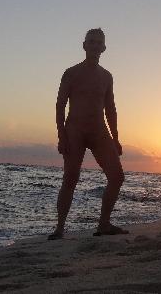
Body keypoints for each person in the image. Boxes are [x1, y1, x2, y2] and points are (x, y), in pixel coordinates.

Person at [49, 28, 127, 240]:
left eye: (98, 42)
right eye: (90, 41)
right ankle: (59, 228)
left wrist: (116, 138)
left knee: (117, 176)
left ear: (104, 48)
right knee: (71, 177)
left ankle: (103, 223)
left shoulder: (107, 76)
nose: (94, 45)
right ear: (84, 45)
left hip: (99, 131)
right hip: (74, 129)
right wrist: (61, 135)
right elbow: (60, 105)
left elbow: (110, 108)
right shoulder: (71, 72)